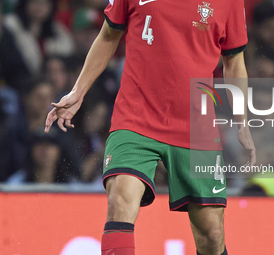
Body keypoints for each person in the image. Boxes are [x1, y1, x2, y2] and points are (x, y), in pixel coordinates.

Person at [45, 1, 256, 255]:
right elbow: (108, 35)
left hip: (196, 125)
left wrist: (242, 121)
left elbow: (234, 62)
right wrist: (78, 91)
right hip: (135, 116)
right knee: (120, 200)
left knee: (211, 234)